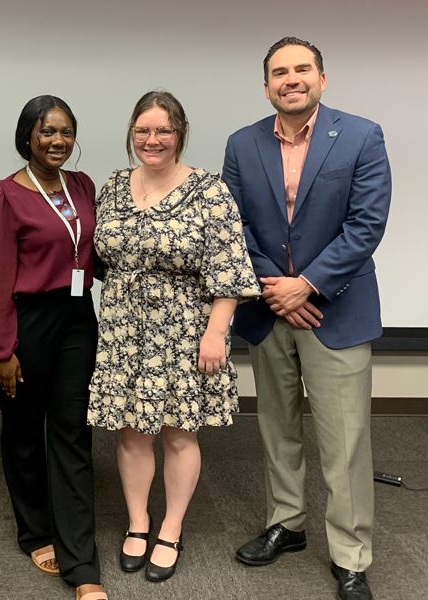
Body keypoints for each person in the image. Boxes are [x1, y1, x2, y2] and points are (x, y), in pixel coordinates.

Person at [222, 37, 391, 600]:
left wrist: (307, 285)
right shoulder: (242, 144)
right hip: (271, 310)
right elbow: (234, 227)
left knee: (344, 442)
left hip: (335, 311)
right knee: (278, 428)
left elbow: (366, 225)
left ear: (322, 77)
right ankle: (286, 524)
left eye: (301, 69)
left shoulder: (362, 136)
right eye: (278, 72)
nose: (290, 79)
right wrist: (278, 289)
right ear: (266, 84)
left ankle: (350, 555)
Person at [87, 91, 259, 583]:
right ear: (131, 134)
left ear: (180, 133)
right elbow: (104, 258)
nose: (152, 139)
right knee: (131, 430)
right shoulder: (114, 186)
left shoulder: (209, 191)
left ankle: (172, 527)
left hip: (187, 330)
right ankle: (138, 522)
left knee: (179, 432)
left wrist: (215, 333)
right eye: (143, 130)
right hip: (123, 328)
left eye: (163, 130)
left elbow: (230, 269)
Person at [0, 96, 107, 600]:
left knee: (73, 432)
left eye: (66, 132)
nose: (57, 141)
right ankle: (35, 531)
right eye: (46, 132)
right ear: (27, 137)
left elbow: (93, 255)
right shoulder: (5, 195)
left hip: (78, 318)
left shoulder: (83, 186)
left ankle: (82, 565)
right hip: (25, 323)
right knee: (25, 431)